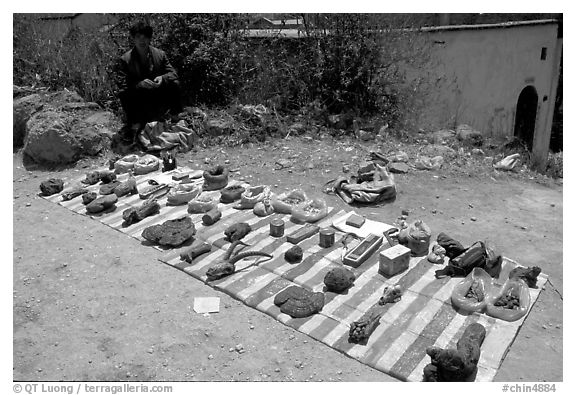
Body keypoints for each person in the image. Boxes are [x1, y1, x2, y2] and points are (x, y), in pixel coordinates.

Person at [115, 21, 182, 141]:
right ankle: (134, 124)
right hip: (138, 99)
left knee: (174, 83)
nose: (142, 41)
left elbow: (173, 74)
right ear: (133, 39)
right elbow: (122, 84)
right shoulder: (125, 59)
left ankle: (174, 115)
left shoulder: (160, 54)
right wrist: (139, 84)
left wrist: (163, 78)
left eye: (145, 37)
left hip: (157, 95)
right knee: (123, 93)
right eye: (138, 37)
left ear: (150, 38)